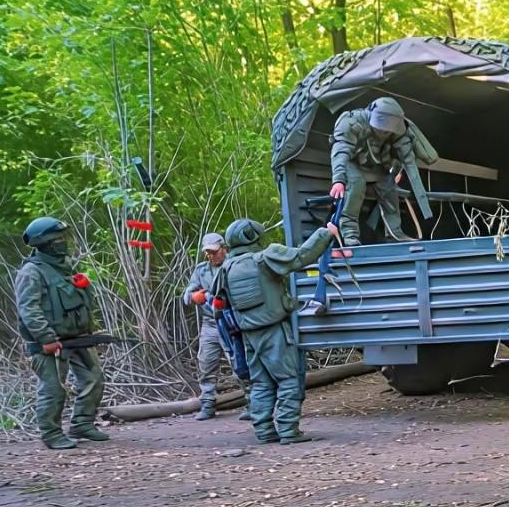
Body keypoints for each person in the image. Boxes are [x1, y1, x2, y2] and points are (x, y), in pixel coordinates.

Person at [212, 218, 336, 444]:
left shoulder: (226, 269)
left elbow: (219, 304)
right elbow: (302, 256)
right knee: (289, 379)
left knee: (261, 383)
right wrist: (325, 233)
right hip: (274, 330)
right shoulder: (265, 257)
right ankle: (288, 430)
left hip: (248, 334)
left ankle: (264, 430)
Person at [13, 216, 108, 450]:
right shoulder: (32, 272)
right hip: (49, 343)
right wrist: (46, 338)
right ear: (44, 243)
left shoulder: (65, 266)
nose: (63, 242)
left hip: (77, 337)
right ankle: (51, 433)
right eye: (58, 240)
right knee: (53, 389)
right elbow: (29, 310)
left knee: (93, 379)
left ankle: (82, 424)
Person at [329, 96, 438, 246]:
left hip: (377, 166)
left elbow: (403, 154)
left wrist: (396, 171)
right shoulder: (352, 123)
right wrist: (338, 180)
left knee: (389, 190)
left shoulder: (396, 129)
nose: (385, 131)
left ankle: (394, 233)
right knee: (354, 187)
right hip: (353, 164)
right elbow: (341, 151)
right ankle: (349, 234)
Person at [182, 232, 250, 421]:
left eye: (214, 251)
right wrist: (194, 297)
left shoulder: (234, 266)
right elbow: (186, 296)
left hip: (231, 324)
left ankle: (253, 403)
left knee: (239, 363)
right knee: (206, 364)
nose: (210, 255)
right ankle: (207, 404)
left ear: (224, 249)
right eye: (208, 252)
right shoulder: (201, 271)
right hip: (210, 324)